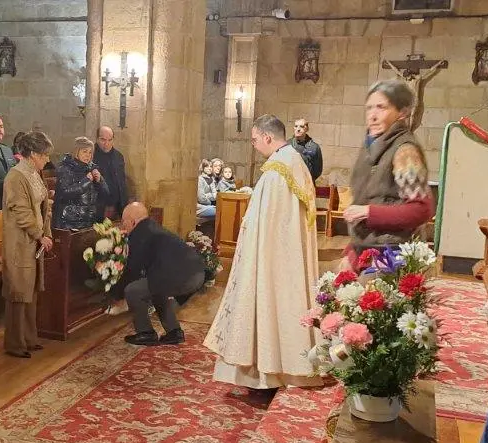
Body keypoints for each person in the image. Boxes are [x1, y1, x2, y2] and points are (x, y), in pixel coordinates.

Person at [204, 114, 324, 389]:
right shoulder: (295, 163)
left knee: (267, 300)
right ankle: (291, 366)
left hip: (272, 256)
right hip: (288, 255)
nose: (255, 145)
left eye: (255, 140)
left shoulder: (275, 173)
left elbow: (261, 223)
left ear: (268, 137)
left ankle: (266, 371)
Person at [340, 80, 434, 271]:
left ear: (402, 113)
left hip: (392, 254)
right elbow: (367, 197)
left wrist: (369, 212)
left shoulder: (404, 151)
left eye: (381, 107)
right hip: (367, 248)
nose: (372, 116)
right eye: (369, 108)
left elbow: (421, 209)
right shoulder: (371, 146)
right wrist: (352, 251)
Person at [117, 201, 206, 346]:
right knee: (156, 288)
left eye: (123, 222)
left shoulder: (139, 234)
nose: (123, 226)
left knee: (132, 290)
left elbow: (132, 271)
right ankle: (174, 332)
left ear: (132, 222)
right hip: (197, 274)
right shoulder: (152, 228)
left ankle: (145, 333)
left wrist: (116, 295)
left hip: (182, 276)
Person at [1, 131, 53, 358]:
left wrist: (46, 233)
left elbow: (43, 207)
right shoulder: (16, 176)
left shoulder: (34, 173)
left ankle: (30, 338)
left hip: (35, 240)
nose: (47, 160)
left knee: (31, 291)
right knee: (18, 292)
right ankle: (15, 342)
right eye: (44, 155)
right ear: (32, 154)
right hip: (20, 242)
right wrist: (40, 235)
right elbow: (21, 212)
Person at [52, 136, 108, 229]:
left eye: (90, 152)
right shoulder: (65, 169)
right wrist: (86, 182)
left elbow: (106, 194)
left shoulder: (92, 169)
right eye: (84, 151)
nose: (88, 155)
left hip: (89, 221)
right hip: (69, 222)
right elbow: (64, 193)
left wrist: (100, 181)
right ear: (76, 152)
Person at [93, 125, 128, 219]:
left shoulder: (118, 156)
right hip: (98, 206)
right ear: (96, 139)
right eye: (103, 139)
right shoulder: (90, 155)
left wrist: (124, 204)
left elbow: (122, 182)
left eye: (110, 140)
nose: (106, 143)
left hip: (117, 205)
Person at [290, 118, 323, 182]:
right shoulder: (287, 145)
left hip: (307, 184)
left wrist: (307, 181)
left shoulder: (314, 147)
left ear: (307, 129)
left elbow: (317, 171)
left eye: (302, 126)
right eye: (296, 126)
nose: (298, 129)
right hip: (290, 183)